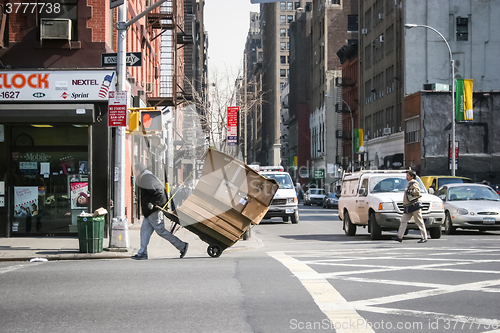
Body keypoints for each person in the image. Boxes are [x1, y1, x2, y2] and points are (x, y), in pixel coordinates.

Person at [131, 163, 188, 260]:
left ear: (138, 171)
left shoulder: (146, 178)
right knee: (144, 231)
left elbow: (159, 192)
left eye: (134, 170)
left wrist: (152, 203)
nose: (134, 173)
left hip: (153, 211)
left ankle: (182, 246)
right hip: (149, 212)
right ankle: (142, 253)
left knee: (161, 231)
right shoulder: (146, 177)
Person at [393, 170, 428, 243]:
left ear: (412, 176)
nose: (406, 177)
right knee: (403, 221)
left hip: (414, 205)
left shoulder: (414, 183)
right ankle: (399, 236)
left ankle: (424, 237)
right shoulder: (410, 183)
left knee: (419, 221)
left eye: (408, 175)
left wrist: (408, 191)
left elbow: (417, 192)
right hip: (408, 206)